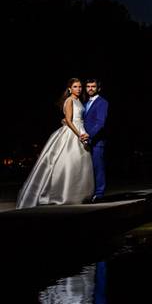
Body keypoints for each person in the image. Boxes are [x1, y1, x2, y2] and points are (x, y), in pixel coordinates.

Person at [16, 78, 94, 209]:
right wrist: (79, 134)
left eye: (80, 87)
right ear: (69, 88)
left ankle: (78, 195)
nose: (79, 89)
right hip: (73, 132)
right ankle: (60, 195)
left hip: (81, 130)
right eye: (75, 87)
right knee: (67, 163)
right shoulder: (69, 100)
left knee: (79, 164)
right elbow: (69, 121)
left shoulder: (79, 100)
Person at [83, 78, 109, 202]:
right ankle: (89, 193)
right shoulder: (85, 103)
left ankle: (99, 194)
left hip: (97, 141)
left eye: (93, 86)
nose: (90, 88)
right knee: (87, 169)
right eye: (88, 86)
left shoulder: (102, 102)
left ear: (98, 88)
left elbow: (100, 123)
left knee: (98, 168)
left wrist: (89, 135)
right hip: (85, 141)